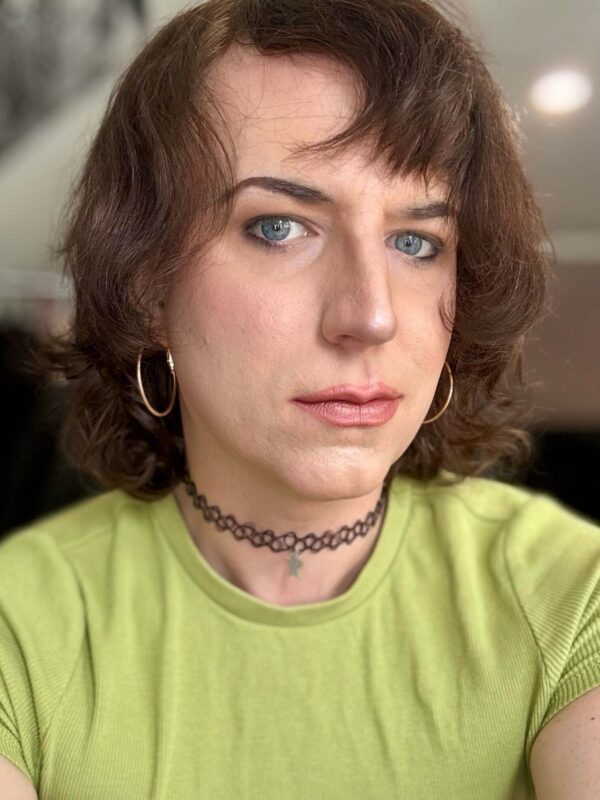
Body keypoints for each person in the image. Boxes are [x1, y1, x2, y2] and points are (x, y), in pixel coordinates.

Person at [1, 0, 599, 797]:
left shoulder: (570, 596)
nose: (372, 315)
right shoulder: (22, 621)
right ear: (147, 285)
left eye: (416, 241)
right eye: (280, 227)